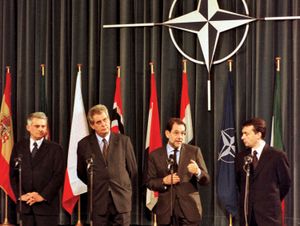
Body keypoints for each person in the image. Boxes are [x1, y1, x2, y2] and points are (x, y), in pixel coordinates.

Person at [77, 104, 137, 226]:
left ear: (109, 120)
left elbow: (132, 170)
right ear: (92, 125)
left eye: (105, 120)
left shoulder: (124, 141)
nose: (104, 124)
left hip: (121, 199)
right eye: (99, 122)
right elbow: (82, 173)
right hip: (99, 200)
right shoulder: (84, 144)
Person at [147, 118, 210, 226]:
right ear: (167, 134)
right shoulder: (155, 155)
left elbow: (206, 179)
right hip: (166, 212)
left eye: (183, 133)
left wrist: (198, 172)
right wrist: (163, 181)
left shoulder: (194, 151)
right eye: (176, 133)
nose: (180, 137)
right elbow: (149, 182)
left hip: (190, 210)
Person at [9, 112, 65, 226]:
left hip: (47, 208)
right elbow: (13, 174)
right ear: (28, 127)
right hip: (26, 206)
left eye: (43, 126)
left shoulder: (55, 149)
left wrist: (42, 196)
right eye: (37, 126)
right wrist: (21, 195)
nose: (41, 129)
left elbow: (58, 176)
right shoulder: (19, 147)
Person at [235, 117, 291, 226]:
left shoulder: (277, 156)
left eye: (246, 134)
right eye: (242, 134)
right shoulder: (241, 157)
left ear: (258, 134)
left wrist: (269, 199)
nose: (242, 137)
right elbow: (239, 183)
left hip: (269, 216)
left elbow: (285, 184)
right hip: (247, 217)